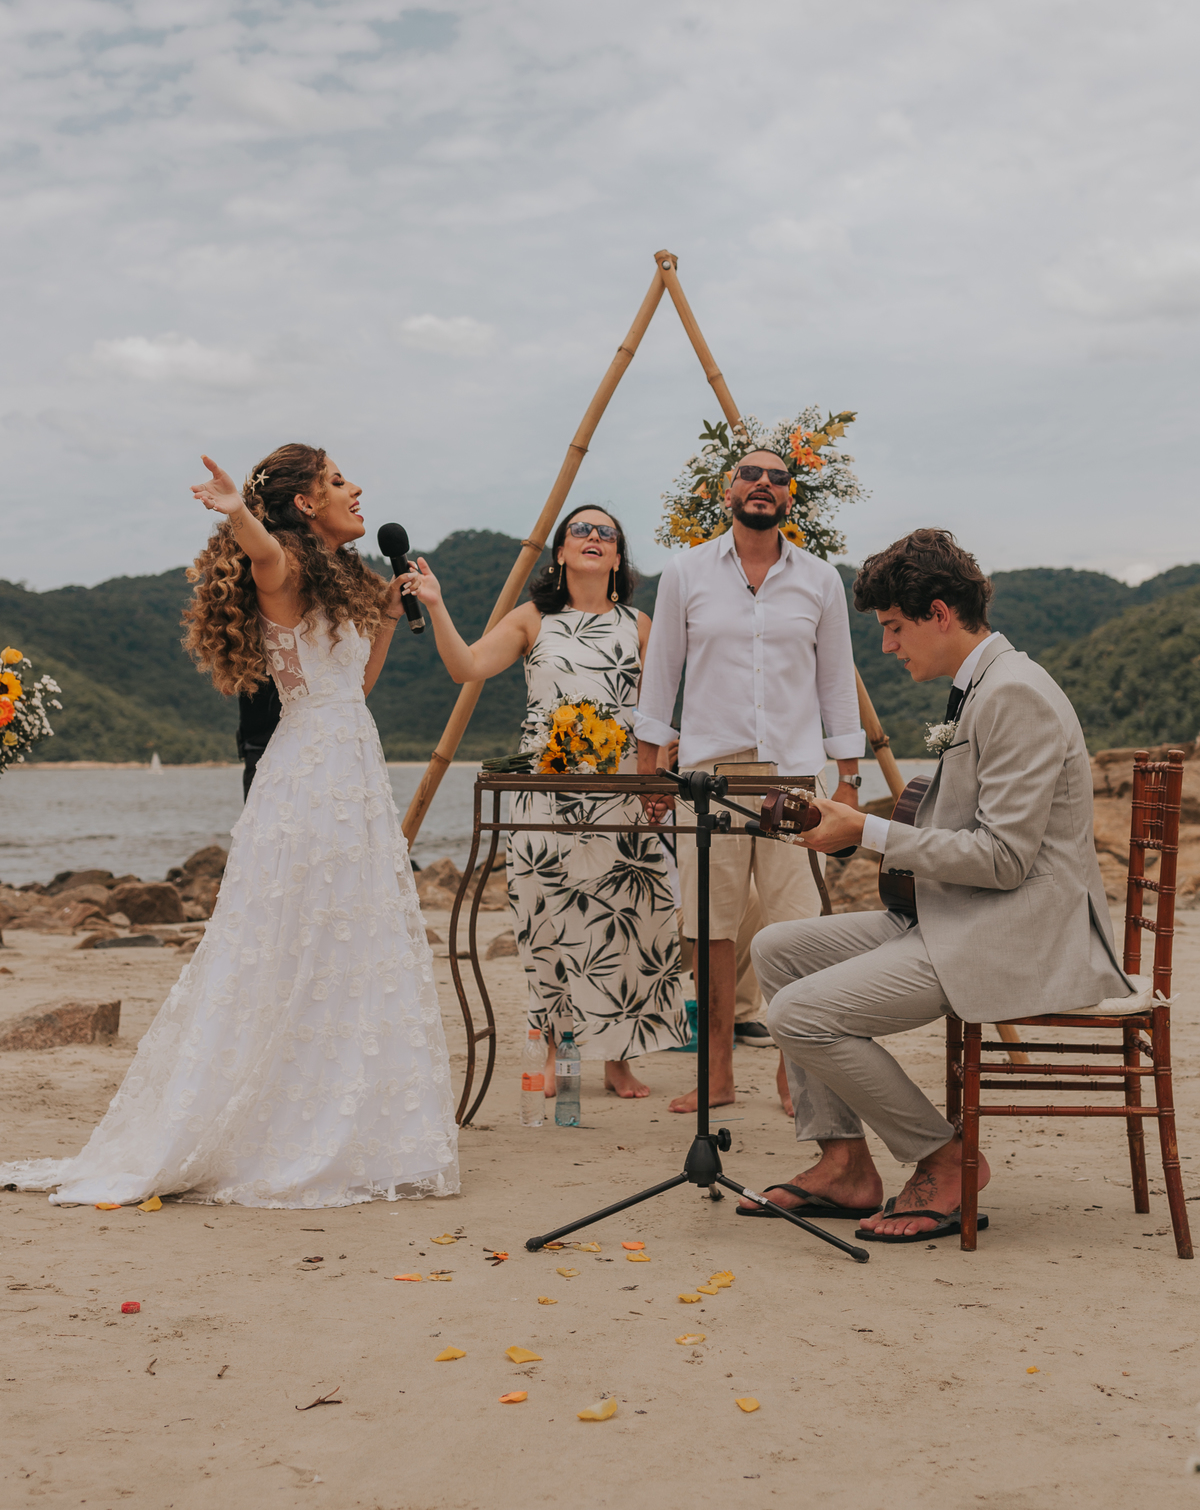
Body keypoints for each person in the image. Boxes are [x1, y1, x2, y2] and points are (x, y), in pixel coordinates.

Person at [1, 445, 458, 1209]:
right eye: (339, 481)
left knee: (353, 938)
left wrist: (386, 617)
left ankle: (345, 1119)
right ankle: (277, 1129)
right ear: (306, 503)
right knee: (295, 940)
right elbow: (268, 555)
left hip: (357, 768)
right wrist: (239, 511)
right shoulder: (282, 568)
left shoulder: (350, 581)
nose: (357, 489)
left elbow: (362, 684)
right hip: (309, 773)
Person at [739, 528, 1132, 1242]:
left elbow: (1005, 859)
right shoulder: (982, 685)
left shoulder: (1016, 694)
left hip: (1012, 932)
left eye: (893, 627)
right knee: (777, 949)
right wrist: (859, 825)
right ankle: (846, 1163)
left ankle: (946, 1159)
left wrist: (866, 831)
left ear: (940, 614)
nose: (888, 647)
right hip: (955, 912)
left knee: (799, 1012)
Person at [405, 505, 691, 1099]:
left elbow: (661, 711)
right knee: (548, 920)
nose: (592, 537)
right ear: (560, 552)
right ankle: (559, 1049)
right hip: (544, 793)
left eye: (605, 533)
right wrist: (436, 604)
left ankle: (618, 1059)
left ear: (617, 557)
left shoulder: (640, 624)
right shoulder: (533, 619)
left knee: (634, 921)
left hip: (619, 794)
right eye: (580, 530)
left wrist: (662, 765)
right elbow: (467, 667)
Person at [635, 450, 865, 1115]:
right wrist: (651, 770)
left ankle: (796, 1072)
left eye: (776, 478)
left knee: (796, 925)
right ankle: (716, 1074)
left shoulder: (820, 580)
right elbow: (663, 673)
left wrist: (848, 777)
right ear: (727, 491)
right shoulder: (685, 572)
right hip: (709, 774)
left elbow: (835, 683)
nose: (763, 484)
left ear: (791, 498)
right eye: (749, 475)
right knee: (710, 923)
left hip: (795, 773)